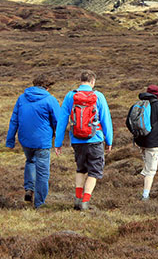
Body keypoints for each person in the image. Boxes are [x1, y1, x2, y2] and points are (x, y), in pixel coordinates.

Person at [55, 70, 113, 211]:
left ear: (80, 80)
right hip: (95, 139)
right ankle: (85, 203)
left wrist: (58, 142)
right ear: (93, 82)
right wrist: (109, 140)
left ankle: (77, 200)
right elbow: (106, 119)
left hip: (77, 140)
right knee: (94, 172)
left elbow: (62, 121)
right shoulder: (98, 96)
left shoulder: (70, 96)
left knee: (81, 169)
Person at [5, 73, 60, 209]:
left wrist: (10, 141)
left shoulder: (22, 98)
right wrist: (58, 140)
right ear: (47, 87)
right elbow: (58, 122)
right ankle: (39, 203)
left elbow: (14, 120)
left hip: (25, 140)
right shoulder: (50, 100)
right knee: (43, 172)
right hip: (42, 141)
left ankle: (29, 189)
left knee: (30, 161)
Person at [126, 84, 158, 201]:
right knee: (150, 170)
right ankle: (145, 196)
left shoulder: (136, 105)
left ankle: (139, 187)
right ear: (157, 94)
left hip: (140, 142)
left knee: (146, 165)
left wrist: (137, 134)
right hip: (153, 143)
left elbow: (128, 122)